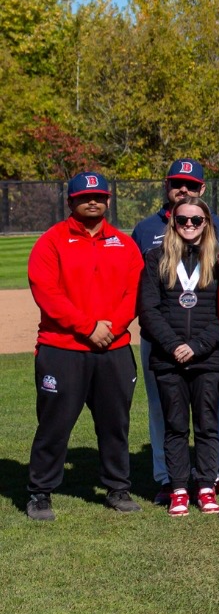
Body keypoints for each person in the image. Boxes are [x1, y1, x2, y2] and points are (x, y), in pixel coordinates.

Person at [25, 172, 145, 521]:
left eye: (99, 196)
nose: (92, 201)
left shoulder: (124, 244)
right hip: (62, 348)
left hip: (113, 348)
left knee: (115, 424)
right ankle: (40, 492)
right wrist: (88, 327)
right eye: (84, 197)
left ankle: (118, 488)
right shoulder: (51, 241)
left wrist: (113, 328)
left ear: (108, 200)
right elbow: (46, 292)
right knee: (54, 424)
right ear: (70, 202)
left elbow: (135, 292)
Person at [132, 158, 219, 494]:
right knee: (162, 410)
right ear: (167, 185)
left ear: (202, 188)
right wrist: (169, 340)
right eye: (177, 183)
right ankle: (166, 477)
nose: (183, 188)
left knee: (210, 411)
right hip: (161, 338)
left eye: (190, 184)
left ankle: (208, 477)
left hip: (205, 339)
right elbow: (142, 290)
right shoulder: (145, 229)